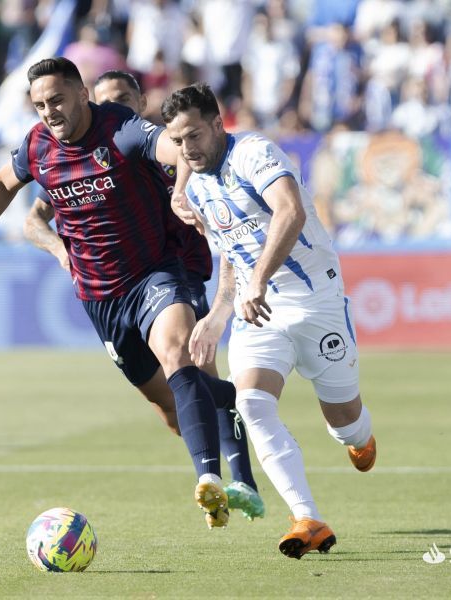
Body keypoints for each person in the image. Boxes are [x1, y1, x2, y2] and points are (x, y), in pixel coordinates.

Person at [0, 58, 235, 528]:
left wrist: (180, 191)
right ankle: (225, 401)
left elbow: (176, 150)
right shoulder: (37, 146)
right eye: (39, 105)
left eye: (56, 99)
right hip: (100, 296)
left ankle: (210, 480)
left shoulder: (121, 129)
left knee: (177, 352)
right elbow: (1, 185)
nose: (49, 111)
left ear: (81, 93)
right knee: (168, 405)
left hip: (154, 273)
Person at [22, 69, 265, 521]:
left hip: (176, 267)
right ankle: (223, 409)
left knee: (189, 360)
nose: (113, 107)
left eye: (122, 98)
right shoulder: (88, 154)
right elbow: (34, 217)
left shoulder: (162, 145)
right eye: (105, 99)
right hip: (114, 288)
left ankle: (237, 481)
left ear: (140, 102)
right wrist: (59, 249)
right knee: (172, 406)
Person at [161, 82, 377, 559]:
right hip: (258, 311)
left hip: (316, 301)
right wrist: (218, 314)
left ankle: (358, 436)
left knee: (345, 424)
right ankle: (307, 518)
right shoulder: (196, 186)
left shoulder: (253, 152)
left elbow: (291, 211)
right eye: (177, 141)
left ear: (217, 124)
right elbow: (232, 254)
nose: (186, 149)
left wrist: (259, 278)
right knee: (252, 404)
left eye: (194, 135)